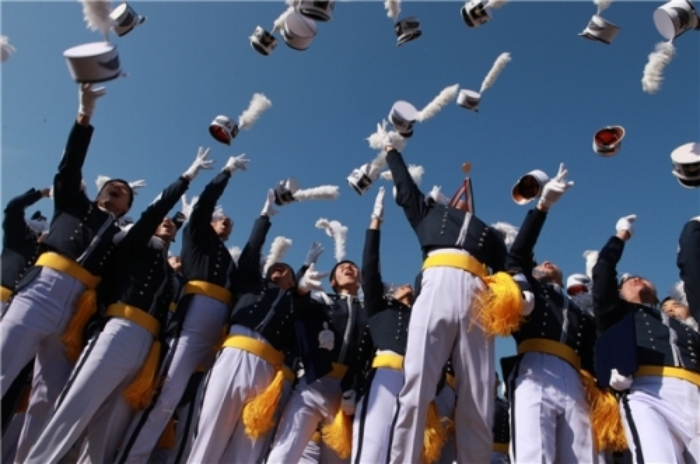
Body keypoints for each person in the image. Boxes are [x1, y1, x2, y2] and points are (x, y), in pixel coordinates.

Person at [25, 148, 205, 463]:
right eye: (162, 222)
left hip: (146, 347)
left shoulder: (167, 269)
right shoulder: (132, 243)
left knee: (106, 435)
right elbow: (153, 215)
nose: (166, 223)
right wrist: (185, 179)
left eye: (171, 225)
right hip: (117, 329)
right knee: (72, 411)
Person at [0, 84, 139, 463]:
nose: (117, 189)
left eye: (124, 192)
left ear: (127, 206)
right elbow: (70, 165)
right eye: (112, 186)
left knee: (48, 399)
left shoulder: (120, 237)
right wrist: (85, 114)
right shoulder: (73, 202)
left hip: (75, 315)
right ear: (98, 192)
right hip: (41, 291)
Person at [382, 130, 517, 464]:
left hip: (478, 293)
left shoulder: (490, 235)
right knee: (416, 384)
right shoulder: (429, 214)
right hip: (437, 282)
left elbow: (513, 269)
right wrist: (390, 151)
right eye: (456, 199)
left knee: (478, 393)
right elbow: (405, 191)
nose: (462, 201)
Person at [116, 154, 250, 463]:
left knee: (194, 405)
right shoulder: (197, 238)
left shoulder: (228, 261)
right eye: (221, 218)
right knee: (165, 395)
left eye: (229, 221)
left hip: (218, 331)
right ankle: (130, 458)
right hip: (194, 317)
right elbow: (203, 205)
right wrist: (225, 173)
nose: (227, 221)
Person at [187, 191, 328, 464]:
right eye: (273, 268)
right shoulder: (251, 285)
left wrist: (305, 273)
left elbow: (305, 325)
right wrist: (264, 217)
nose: (277, 271)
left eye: (283, 269)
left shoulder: (296, 304)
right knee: (209, 433)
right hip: (234, 357)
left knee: (248, 447)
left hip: (268, 373)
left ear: (293, 278)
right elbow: (251, 252)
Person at [503, 163, 600, 463]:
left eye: (551, 263)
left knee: (584, 456)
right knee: (535, 453)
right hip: (535, 369)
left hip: (575, 377)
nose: (545, 263)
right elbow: (517, 255)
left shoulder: (579, 308)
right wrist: (542, 207)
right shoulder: (531, 287)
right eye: (539, 263)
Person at [592, 214, 700, 463]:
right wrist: (621, 235)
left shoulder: (683, 324)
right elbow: (603, 269)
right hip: (648, 393)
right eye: (628, 281)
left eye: (640, 277)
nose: (635, 279)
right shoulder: (616, 314)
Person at [266, 233, 370, 463]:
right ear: (332, 282)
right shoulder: (323, 301)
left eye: (353, 266)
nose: (348, 268)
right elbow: (297, 309)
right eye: (342, 267)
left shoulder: (369, 312)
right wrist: (302, 287)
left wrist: (357, 386)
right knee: (284, 452)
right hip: (313, 383)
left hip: (346, 395)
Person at [352, 186, 415, 464]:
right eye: (400, 285)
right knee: (371, 449)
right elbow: (370, 266)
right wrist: (375, 222)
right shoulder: (379, 307)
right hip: (385, 375)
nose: (406, 285)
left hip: (416, 382)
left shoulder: (422, 316)